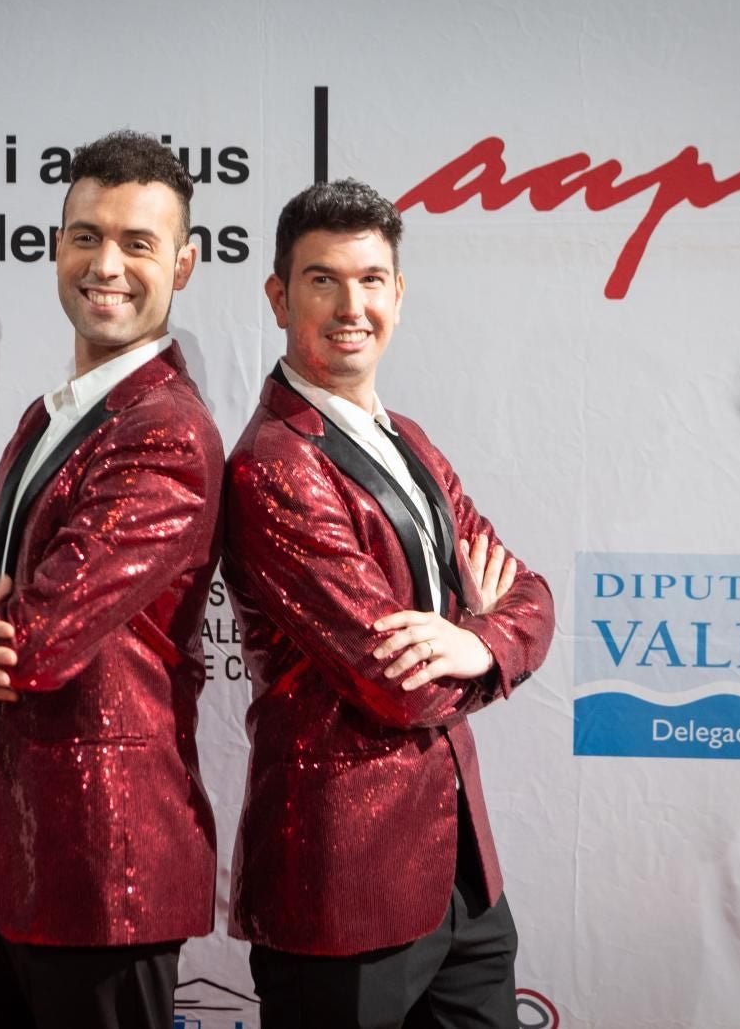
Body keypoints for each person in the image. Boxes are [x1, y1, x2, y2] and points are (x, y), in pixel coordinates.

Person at [0, 130, 224, 1029]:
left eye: (137, 243)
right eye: (86, 236)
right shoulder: (51, 414)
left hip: (105, 876)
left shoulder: (168, 434)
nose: (105, 263)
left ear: (184, 266)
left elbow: (32, 640)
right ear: (55, 248)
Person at [222, 179, 555, 1029]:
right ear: (277, 296)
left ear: (399, 296)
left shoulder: (410, 439)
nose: (351, 305)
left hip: (464, 878)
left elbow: (532, 595)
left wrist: (477, 641)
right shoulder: (275, 465)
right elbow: (398, 682)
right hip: (341, 890)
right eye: (323, 279)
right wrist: (486, 640)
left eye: (372, 279)